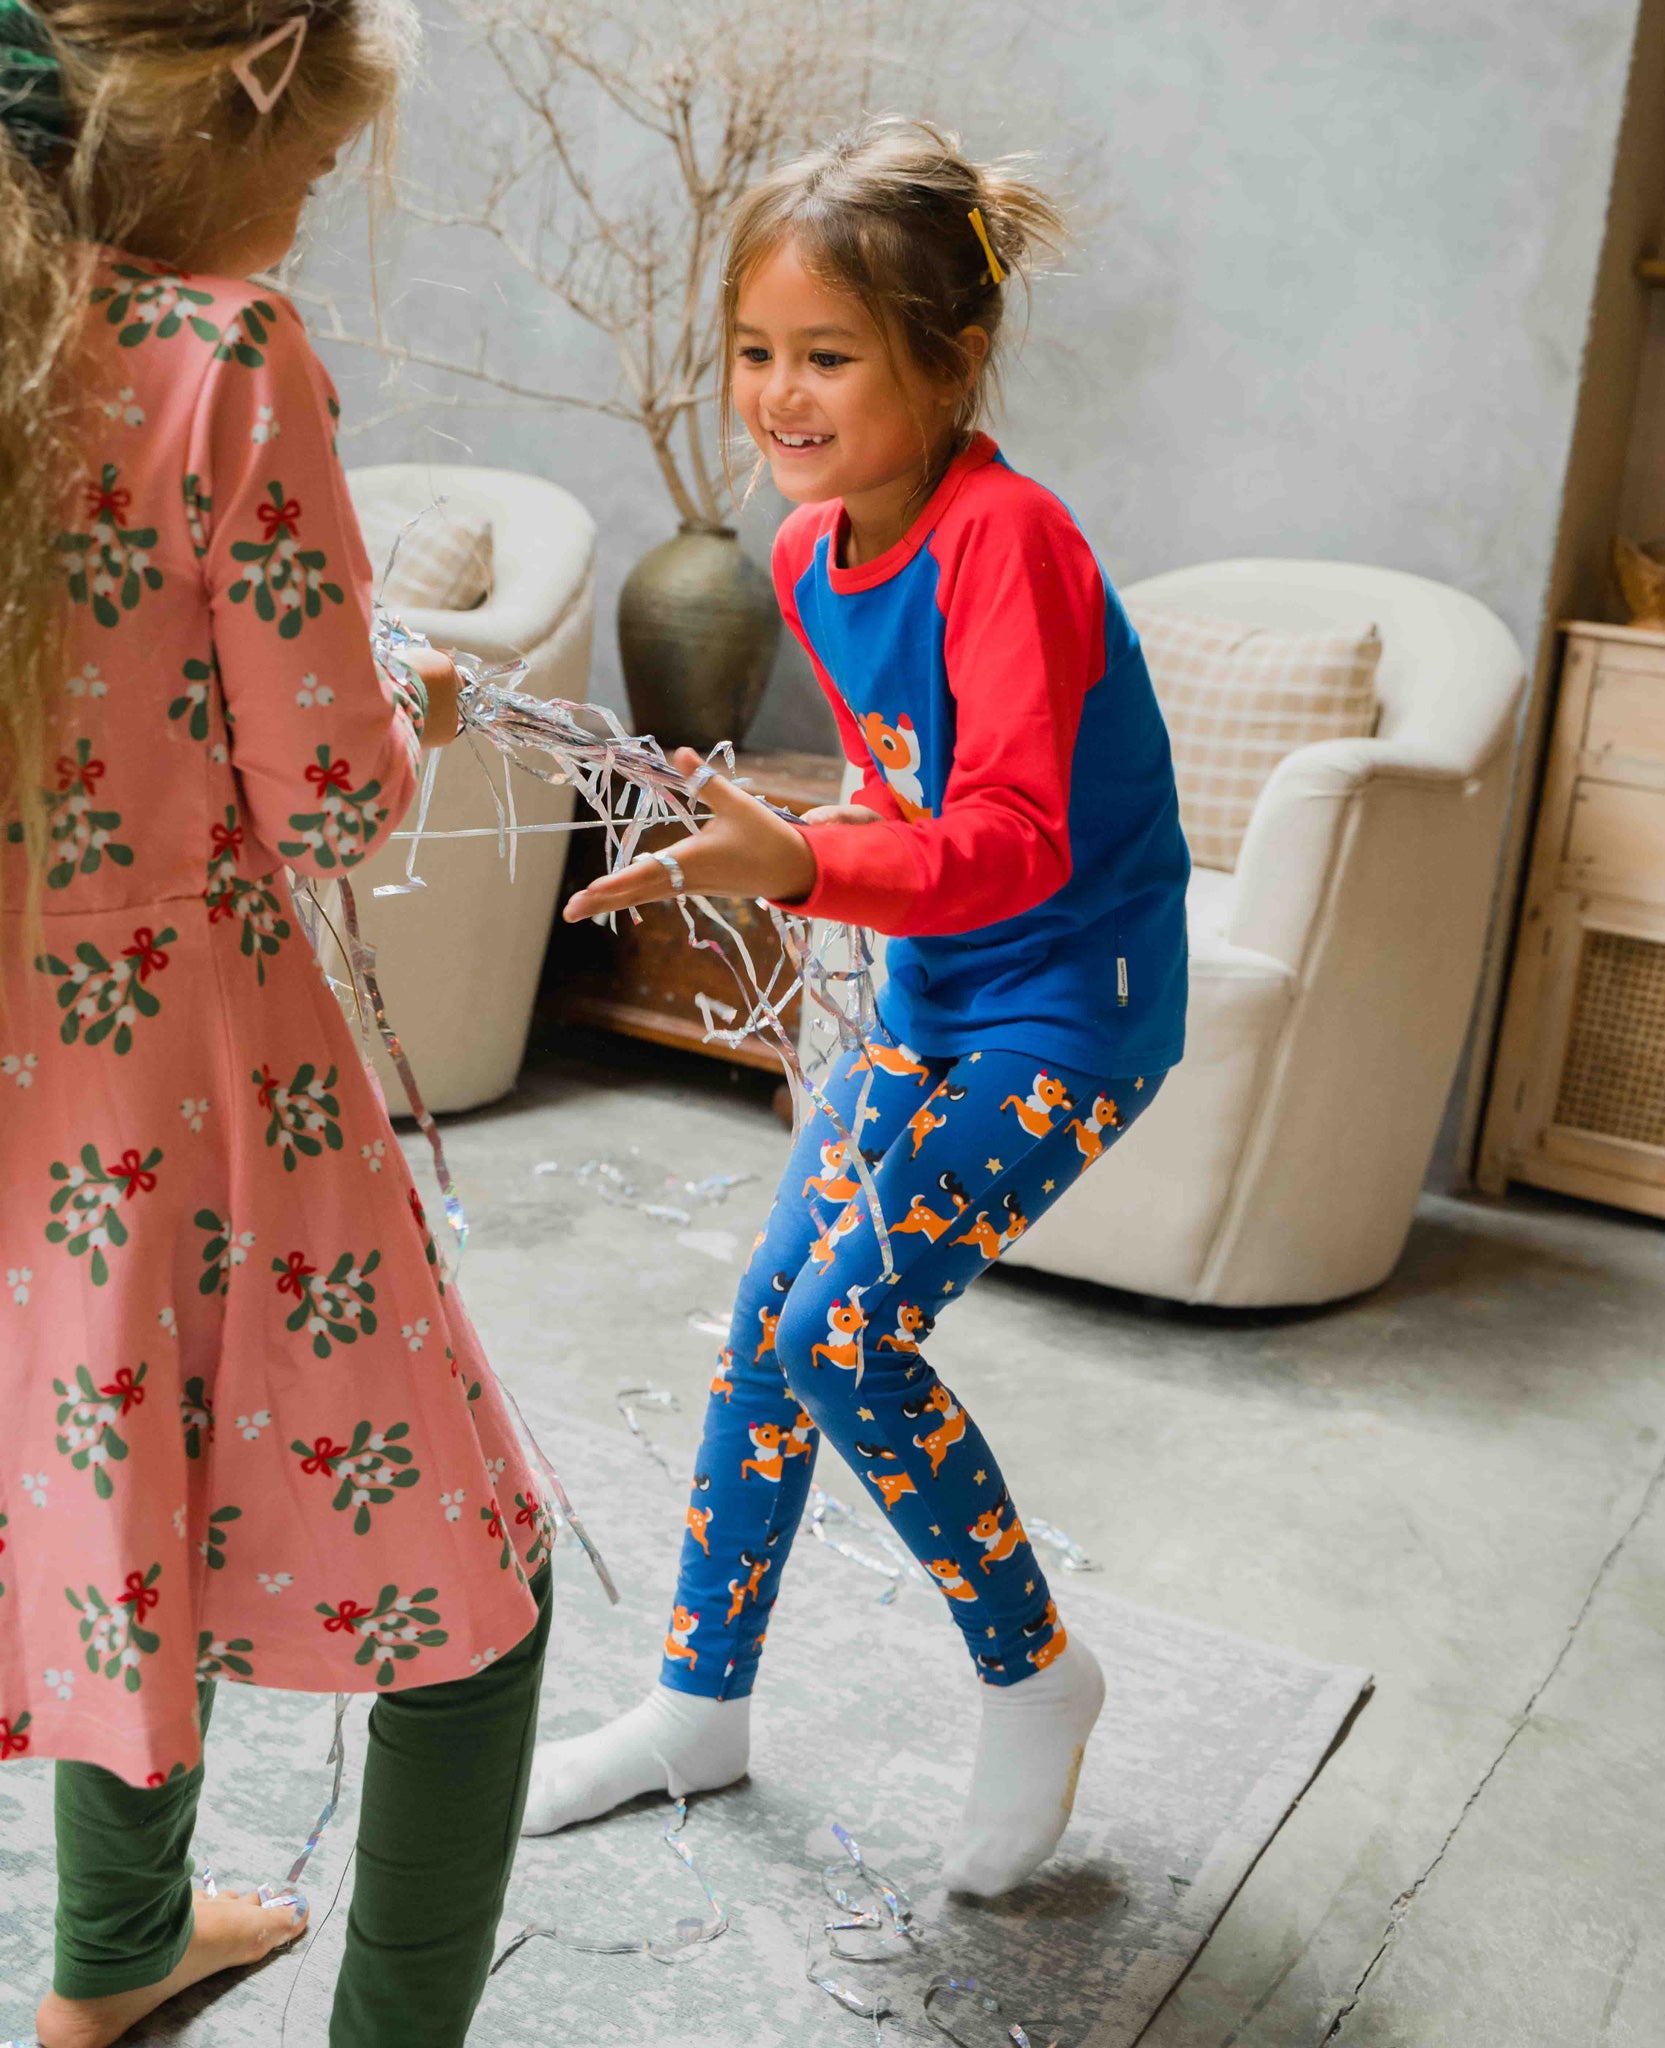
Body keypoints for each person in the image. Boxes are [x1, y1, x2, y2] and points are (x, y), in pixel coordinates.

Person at [525, 118, 1190, 1899]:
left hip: (1073, 1003)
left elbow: (1018, 840)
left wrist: (802, 867)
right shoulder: (817, 558)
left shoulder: (1010, 543)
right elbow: (908, 806)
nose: (779, 394)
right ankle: (697, 1706)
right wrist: (754, 845)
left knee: (844, 1334)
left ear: (951, 361)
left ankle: (1038, 1674)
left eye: (827, 356)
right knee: (767, 1329)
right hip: (935, 980)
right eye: (757, 352)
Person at [0, 6, 556, 2044]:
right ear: (232, 103)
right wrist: (393, 691)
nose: (308, 208)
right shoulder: (220, 359)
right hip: (196, 1076)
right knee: (478, 1590)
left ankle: (119, 1958)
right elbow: (322, 799)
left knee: (106, 1500)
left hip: (17, 1089)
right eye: (317, 168)